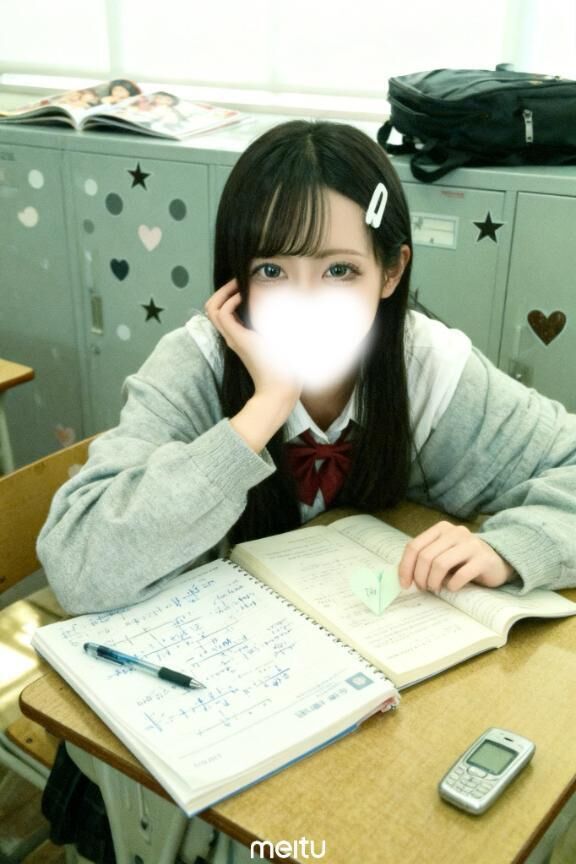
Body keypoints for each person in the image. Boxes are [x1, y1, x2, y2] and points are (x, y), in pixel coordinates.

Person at [37, 120, 576, 615]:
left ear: (391, 272)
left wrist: (510, 550)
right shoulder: (195, 366)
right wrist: (262, 410)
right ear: (236, 280)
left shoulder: (426, 364)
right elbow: (79, 566)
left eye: (339, 270)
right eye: (272, 271)